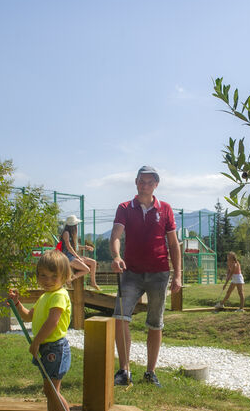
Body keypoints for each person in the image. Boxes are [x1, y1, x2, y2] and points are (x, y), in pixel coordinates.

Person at [109, 166, 182, 388]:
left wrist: (177, 275)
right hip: (130, 272)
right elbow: (115, 236)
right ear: (136, 182)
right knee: (120, 317)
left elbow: (173, 244)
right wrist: (116, 256)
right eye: (142, 181)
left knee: (155, 323)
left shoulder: (166, 209)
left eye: (150, 182)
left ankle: (150, 373)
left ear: (156, 185)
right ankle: (124, 370)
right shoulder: (124, 207)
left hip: (159, 273)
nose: (145, 185)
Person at [8, 250, 76, 411]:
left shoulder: (59, 295)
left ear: (65, 277)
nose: (48, 280)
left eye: (54, 276)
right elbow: (30, 316)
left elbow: (53, 322)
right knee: (49, 389)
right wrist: (17, 304)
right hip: (47, 348)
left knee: (52, 389)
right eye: (43, 275)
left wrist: (36, 341)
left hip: (55, 348)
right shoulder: (46, 296)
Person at [60, 214, 101, 291]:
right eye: (76, 224)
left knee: (93, 262)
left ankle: (93, 283)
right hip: (67, 257)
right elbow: (69, 247)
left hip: (73, 256)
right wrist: (78, 257)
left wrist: (85, 247)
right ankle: (69, 280)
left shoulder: (71, 233)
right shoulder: (66, 233)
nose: (77, 225)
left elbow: (74, 246)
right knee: (86, 269)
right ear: (73, 225)